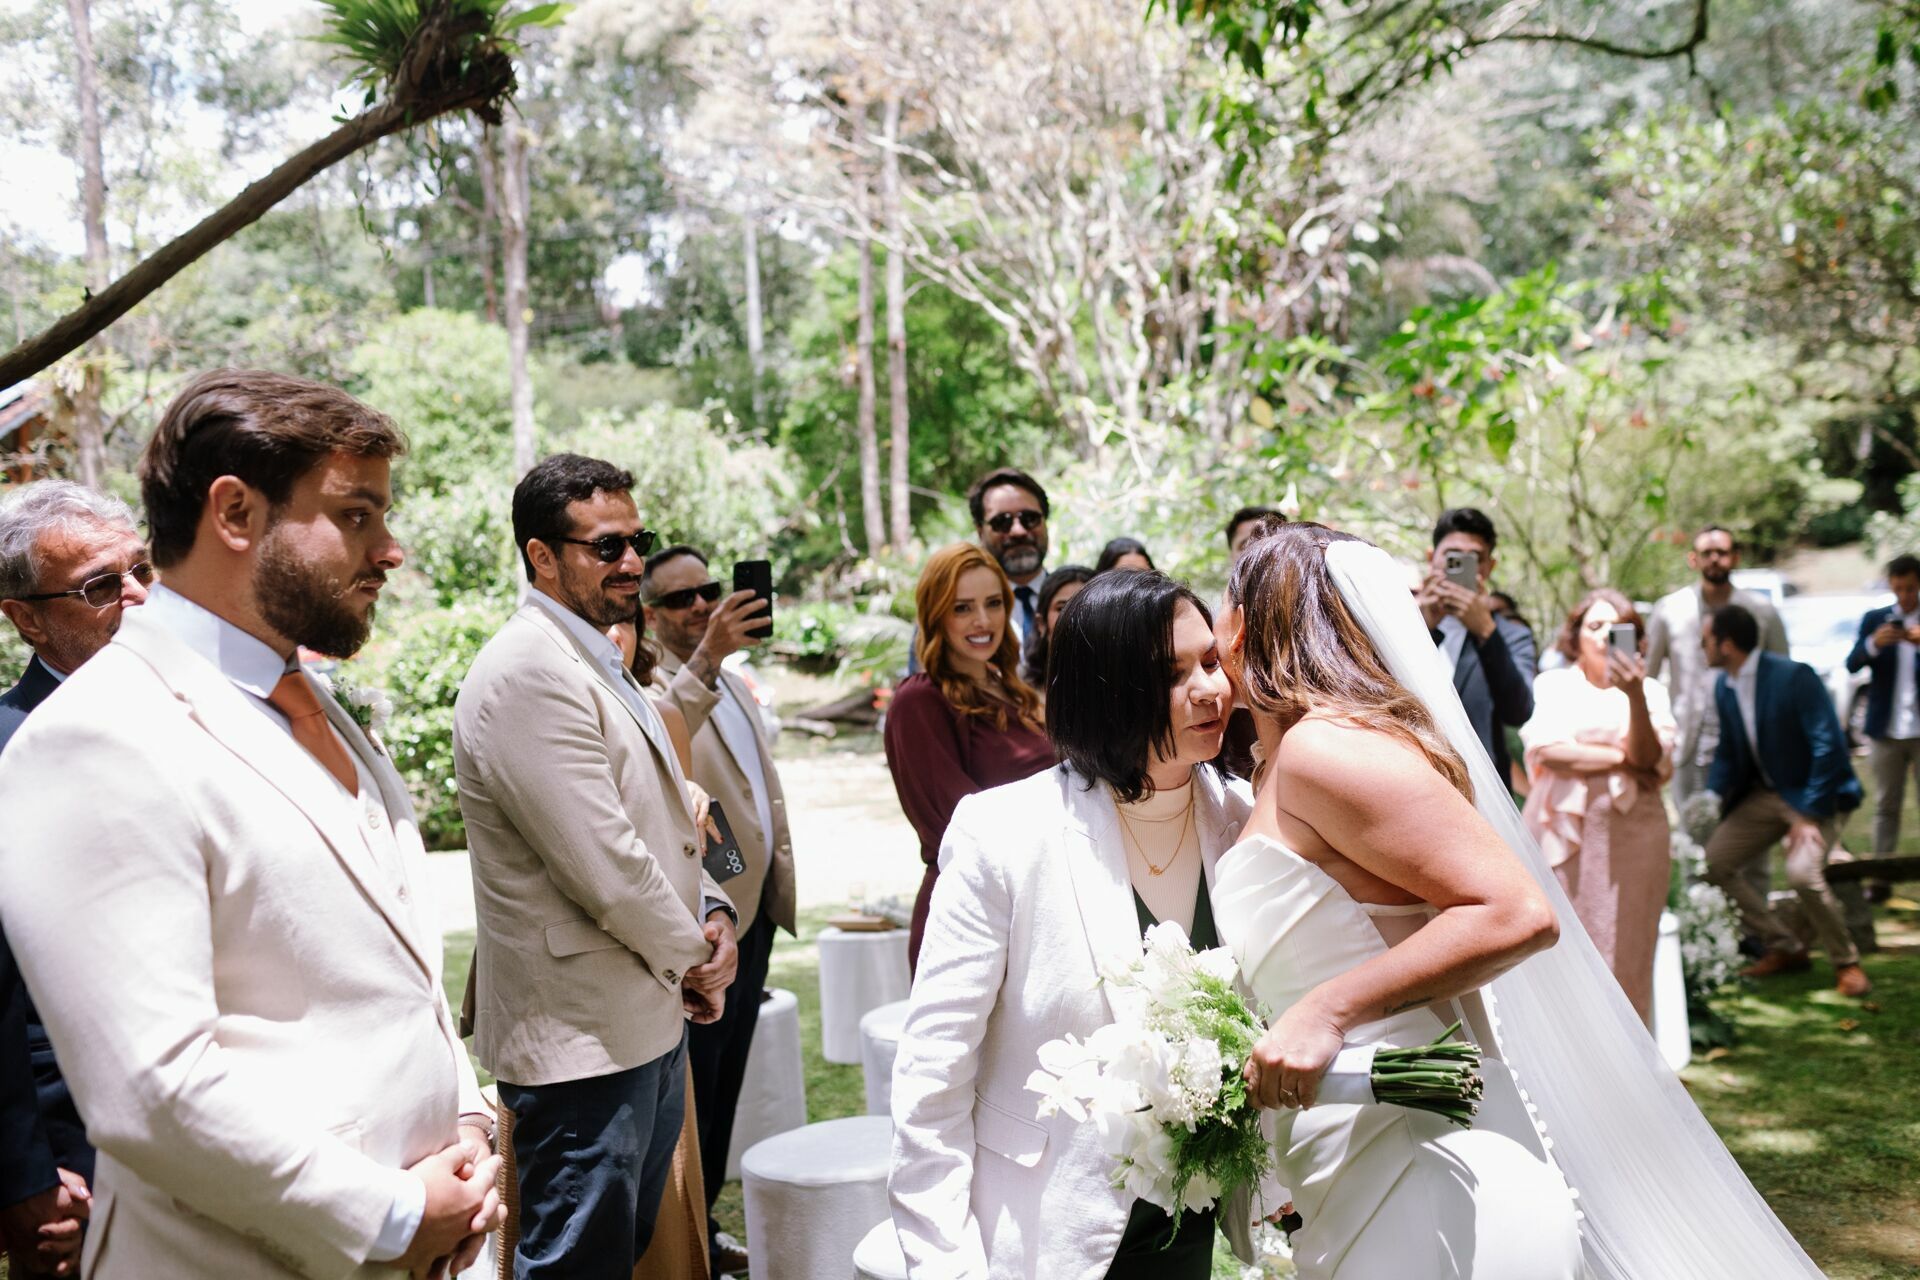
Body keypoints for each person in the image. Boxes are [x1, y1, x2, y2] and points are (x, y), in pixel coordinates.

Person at [1211, 523, 1832, 1280]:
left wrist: (1326, 1010)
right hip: (1353, 1139)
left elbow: (1515, 911)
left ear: (1246, 624)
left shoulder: (1328, 748)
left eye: (1221, 604)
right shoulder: (1275, 764)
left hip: (1423, 1153)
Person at [0, 369, 504, 1279]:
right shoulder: (93, 737)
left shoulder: (308, 698)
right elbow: (153, 1091)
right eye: (355, 515)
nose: (390, 550)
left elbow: (391, 975)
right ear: (235, 513)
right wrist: (395, 1215)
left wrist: (465, 1122)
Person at [889, 570, 1263, 1278]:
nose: (1210, 689)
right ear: (1107, 689)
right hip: (1046, 1222)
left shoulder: (1246, 819)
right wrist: (943, 1262)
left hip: (1190, 1221)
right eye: (1172, 674)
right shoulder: (1003, 832)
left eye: (1212, 661)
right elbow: (933, 1068)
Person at [453, 453, 738, 1279]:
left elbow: (666, 822)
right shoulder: (527, 672)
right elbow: (606, 865)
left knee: (619, 1254)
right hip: (579, 1044)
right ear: (542, 556)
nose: (633, 562)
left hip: (643, 1018)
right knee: (575, 1266)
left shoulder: (594, 657)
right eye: (607, 546)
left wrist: (713, 913)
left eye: (637, 540)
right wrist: (694, 957)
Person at [0, 480, 150, 1276]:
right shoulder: (8, 750)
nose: (138, 597)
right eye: (101, 587)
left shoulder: (205, 715)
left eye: (142, 570)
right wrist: (23, 1178)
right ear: (27, 618)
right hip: (78, 1153)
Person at [641, 544, 797, 1279]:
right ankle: (686, 1242)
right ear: (649, 615)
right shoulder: (654, 686)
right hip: (708, 922)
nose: (702, 605)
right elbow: (674, 742)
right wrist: (706, 657)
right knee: (698, 1088)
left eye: (708, 590)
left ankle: (705, 1224)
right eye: (681, 599)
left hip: (751, 911)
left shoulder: (732, 681)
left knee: (729, 1077)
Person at [884, 543, 1055, 970]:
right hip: (968, 917)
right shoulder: (919, 702)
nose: (983, 620)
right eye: (962, 608)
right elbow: (955, 828)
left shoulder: (1014, 690)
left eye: (993, 603)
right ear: (936, 614)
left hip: (1035, 905)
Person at [1520, 589, 1676, 1021]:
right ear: (1576, 637)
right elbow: (1550, 752)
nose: (1606, 634)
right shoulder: (1554, 684)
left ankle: (1629, 1050)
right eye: (1595, 625)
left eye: (1617, 627)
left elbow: (1650, 757)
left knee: (1626, 948)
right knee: (1565, 947)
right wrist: (1623, 759)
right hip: (1564, 831)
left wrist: (1634, 696)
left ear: (1636, 639)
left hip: (1635, 838)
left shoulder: (1651, 692)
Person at [1701, 603, 1871, 997]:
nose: (1700, 647)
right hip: (1765, 795)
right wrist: (1711, 794)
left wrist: (1807, 815)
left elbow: (1829, 746)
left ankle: (1847, 961)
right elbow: (1729, 751)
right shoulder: (1724, 686)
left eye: (1705, 640)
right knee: (1714, 863)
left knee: (1801, 874)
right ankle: (1785, 945)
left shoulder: (1793, 676)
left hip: (1816, 795)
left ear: (1726, 644)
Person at [1645, 525, 1789, 804]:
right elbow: (1648, 677)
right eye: (1706, 553)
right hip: (1688, 738)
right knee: (1693, 819)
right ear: (1693, 559)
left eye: (1721, 552)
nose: (1714, 559)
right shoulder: (1670, 610)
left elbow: (1782, 675)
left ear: (1735, 557)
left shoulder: (1761, 610)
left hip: (1749, 738)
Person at [1416, 507, 1537, 787]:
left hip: (1478, 786)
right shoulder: (1401, 621)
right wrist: (1420, 627)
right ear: (1432, 558)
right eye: (1452, 555)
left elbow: (1518, 711)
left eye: (1475, 558)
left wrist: (1486, 632)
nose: (1462, 564)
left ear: (1489, 567)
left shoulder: (1511, 635)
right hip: (1406, 775)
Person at [1845, 553, 1920, 903]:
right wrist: (1874, 643)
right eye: (1898, 588)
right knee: (1886, 806)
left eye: (1911, 588)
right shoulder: (1876, 619)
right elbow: (1852, 663)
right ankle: (1880, 877)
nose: (1904, 595)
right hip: (1885, 730)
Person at [968, 468, 1051, 645]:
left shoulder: (1078, 600)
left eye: (1030, 518)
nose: (1018, 531)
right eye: (1001, 522)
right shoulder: (953, 614)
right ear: (980, 532)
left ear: (1045, 522)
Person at [1019, 563, 1093, 688]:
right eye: (1061, 608)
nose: (1073, 617)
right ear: (1041, 623)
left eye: (1086, 607)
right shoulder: (1020, 690)